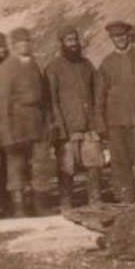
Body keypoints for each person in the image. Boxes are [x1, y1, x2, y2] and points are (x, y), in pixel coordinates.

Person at [96, 21, 135, 203]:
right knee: (120, 165)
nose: (120, 39)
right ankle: (126, 202)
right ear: (111, 39)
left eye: (123, 35)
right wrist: (101, 125)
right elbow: (99, 98)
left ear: (128, 36)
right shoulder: (107, 64)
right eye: (116, 37)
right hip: (115, 123)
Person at [0, 27, 49, 216]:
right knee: (17, 166)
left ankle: (39, 205)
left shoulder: (33, 64)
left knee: (39, 165)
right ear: (14, 46)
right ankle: (19, 208)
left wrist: (46, 123)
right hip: (16, 125)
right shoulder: (5, 68)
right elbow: (2, 102)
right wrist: (7, 135)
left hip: (35, 122)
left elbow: (43, 97)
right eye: (19, 43)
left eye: (27, 42)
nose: (24, 45)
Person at [44, 26, 102, 208]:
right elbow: (51, 101)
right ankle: (66, 202)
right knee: (66, 168)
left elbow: (96, 94)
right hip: (67, 128)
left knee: (94, 164)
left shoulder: (87, 65)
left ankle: (95, 200)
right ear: (62, 43)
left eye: (75, 39)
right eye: (69, 40)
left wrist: (96, 123)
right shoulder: (53, 68)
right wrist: (60, 128)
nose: (73, 44)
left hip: (88, 125)